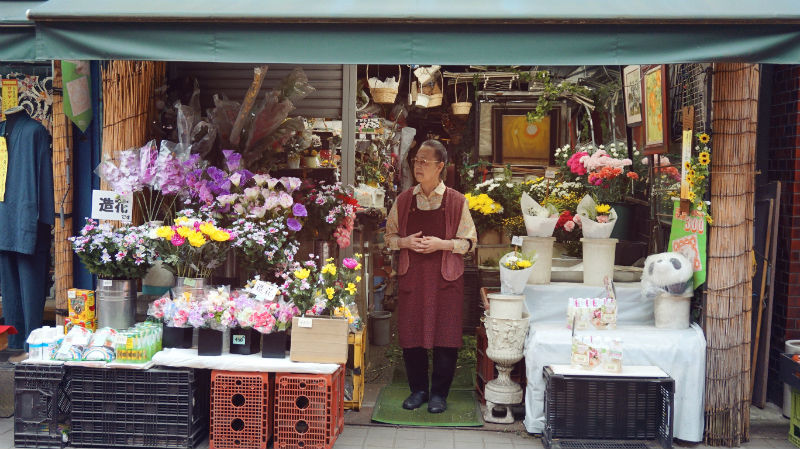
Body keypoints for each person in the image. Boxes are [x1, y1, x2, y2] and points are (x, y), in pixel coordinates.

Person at [385, 139, 476, 413]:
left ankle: (439, 394)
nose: (418, 166)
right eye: (416, 161)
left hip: (445, 279)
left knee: (445, 335)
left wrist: (442, 244)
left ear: (440, 167)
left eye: (425, 161)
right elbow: (388, 238)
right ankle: (418, 390)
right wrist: (405, 242)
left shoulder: (457, 201)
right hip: (413, 277)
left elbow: (469, 243)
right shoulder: (403, 201)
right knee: (411, 333)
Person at [0, 107, 54, 363]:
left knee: (26, 287)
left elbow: (43, 175)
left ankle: (28, 344)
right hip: (12, 217)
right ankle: (18, 343)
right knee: (13, 286)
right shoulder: (6, 132)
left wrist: (44, 220)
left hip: (22, 217)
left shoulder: (34, 131)